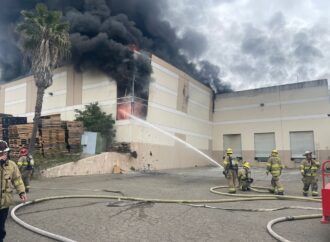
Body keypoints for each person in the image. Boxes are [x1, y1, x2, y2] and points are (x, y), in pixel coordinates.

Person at [0, 140, 27, 241]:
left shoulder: (11, 165)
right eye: (1, 153)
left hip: (4, 203)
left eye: (5, 153)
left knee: (1, 228)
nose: (4, 155)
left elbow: (17, 179)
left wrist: (21, 192)